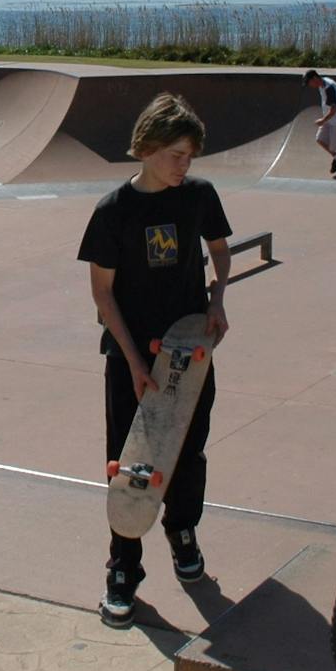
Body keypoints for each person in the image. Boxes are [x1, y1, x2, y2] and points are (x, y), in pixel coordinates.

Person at [78, 93, 232, 628]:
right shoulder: (113, 212)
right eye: (175, 155)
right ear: (146, 149)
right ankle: (124, 567)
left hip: (188, 354)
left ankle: (182, 532)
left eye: (189, 156)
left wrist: (216, 298)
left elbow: (220, 248)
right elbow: (102, 294)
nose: (183, 166)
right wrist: (132, 361)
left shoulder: (200, 196)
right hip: (130, 356)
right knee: (132, 461)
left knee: (189, 452)